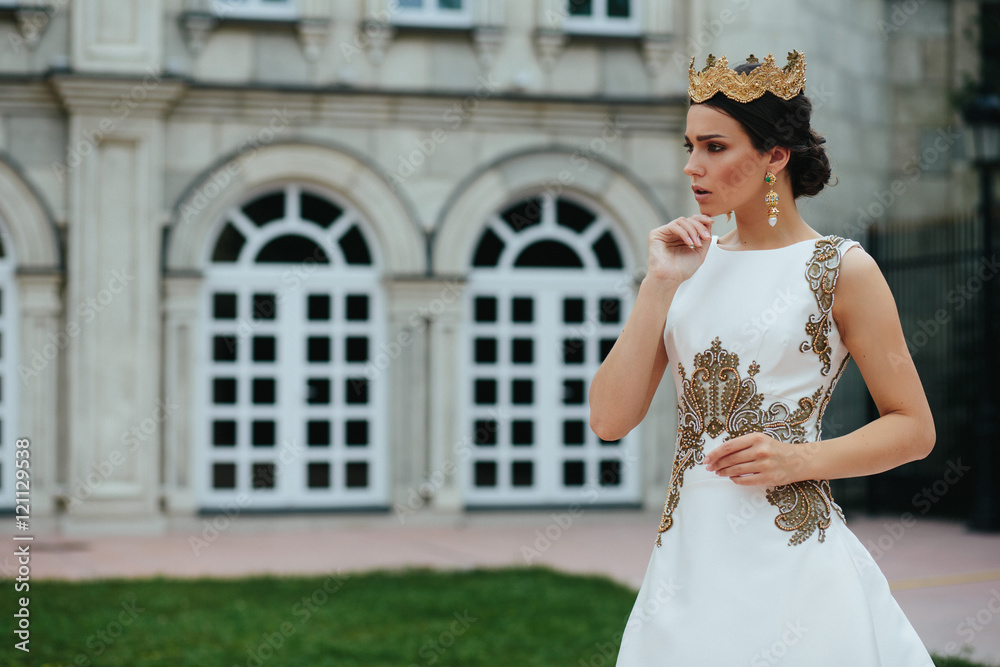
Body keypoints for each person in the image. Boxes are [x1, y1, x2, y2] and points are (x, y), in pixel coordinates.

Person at [589, 51, 937, 665]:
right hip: (687, 561)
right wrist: (658, 284)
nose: (692, 166)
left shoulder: (840, 269)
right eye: (690, 146)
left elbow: (914, 429)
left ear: (775, 156)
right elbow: (608, 419)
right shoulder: (685, 267)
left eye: (715, 147)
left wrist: (800, 458)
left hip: (794, 560)